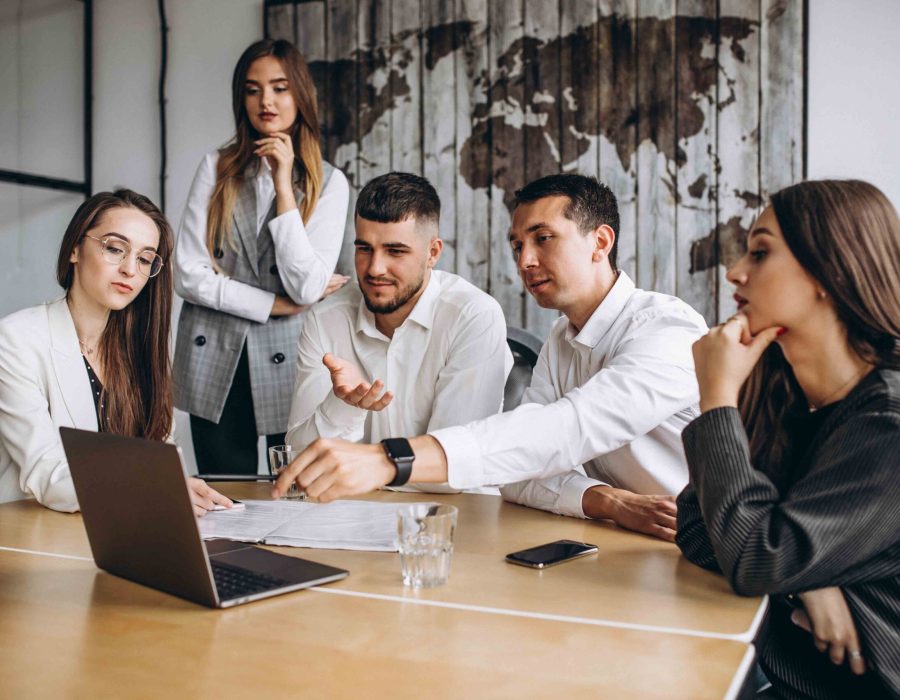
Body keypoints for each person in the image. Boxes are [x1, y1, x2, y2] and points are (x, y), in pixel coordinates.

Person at [274, 174, 708, 541]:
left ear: (600, 242)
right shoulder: (561, 337)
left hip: (705, 542)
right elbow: (522, 475)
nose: (525, 261)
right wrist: (609, 502)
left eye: (543, 239)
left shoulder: (667, 329)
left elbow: (568, 429)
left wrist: (389, 459)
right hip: (626, 541)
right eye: (517, 245)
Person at [675, 180, 900, 699]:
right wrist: (805, 576)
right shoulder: (782, 388)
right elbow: (696, 527)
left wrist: (717, 398)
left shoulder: (888, 420)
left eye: (760, 252)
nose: (735, 272)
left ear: (829, 271)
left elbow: (754, 556)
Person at [173, 38, 349, 475]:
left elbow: (306, 286)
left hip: (290, 356)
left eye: (279, 87)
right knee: (224, 492)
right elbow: (187, 274)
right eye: (252, 89)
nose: (265, 101)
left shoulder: (329, 182)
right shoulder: (217, 166)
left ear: (300, 95)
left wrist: (285, 185)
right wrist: (272, 304)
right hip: (213, 352)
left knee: (291, 491)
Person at [0, 190, 232, 516]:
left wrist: (177, 484)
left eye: (144, 258)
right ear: (75, 249)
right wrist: (151, 485)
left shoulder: (139, 347)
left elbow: (159, 453)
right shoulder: (16, 339)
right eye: (114, 249)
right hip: (35, 530)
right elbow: (45, 473)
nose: (130, 270)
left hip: (122, 526)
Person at [285, 172, 511, 493]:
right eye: (365, 248)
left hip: (456, 517)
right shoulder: (325, 319)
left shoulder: (473, 316)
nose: (375, 268)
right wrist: (343, 406)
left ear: (432, 253)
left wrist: (367, 464)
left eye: (395, 251)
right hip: (353, 516)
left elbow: (452, 470)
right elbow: (298, 458)